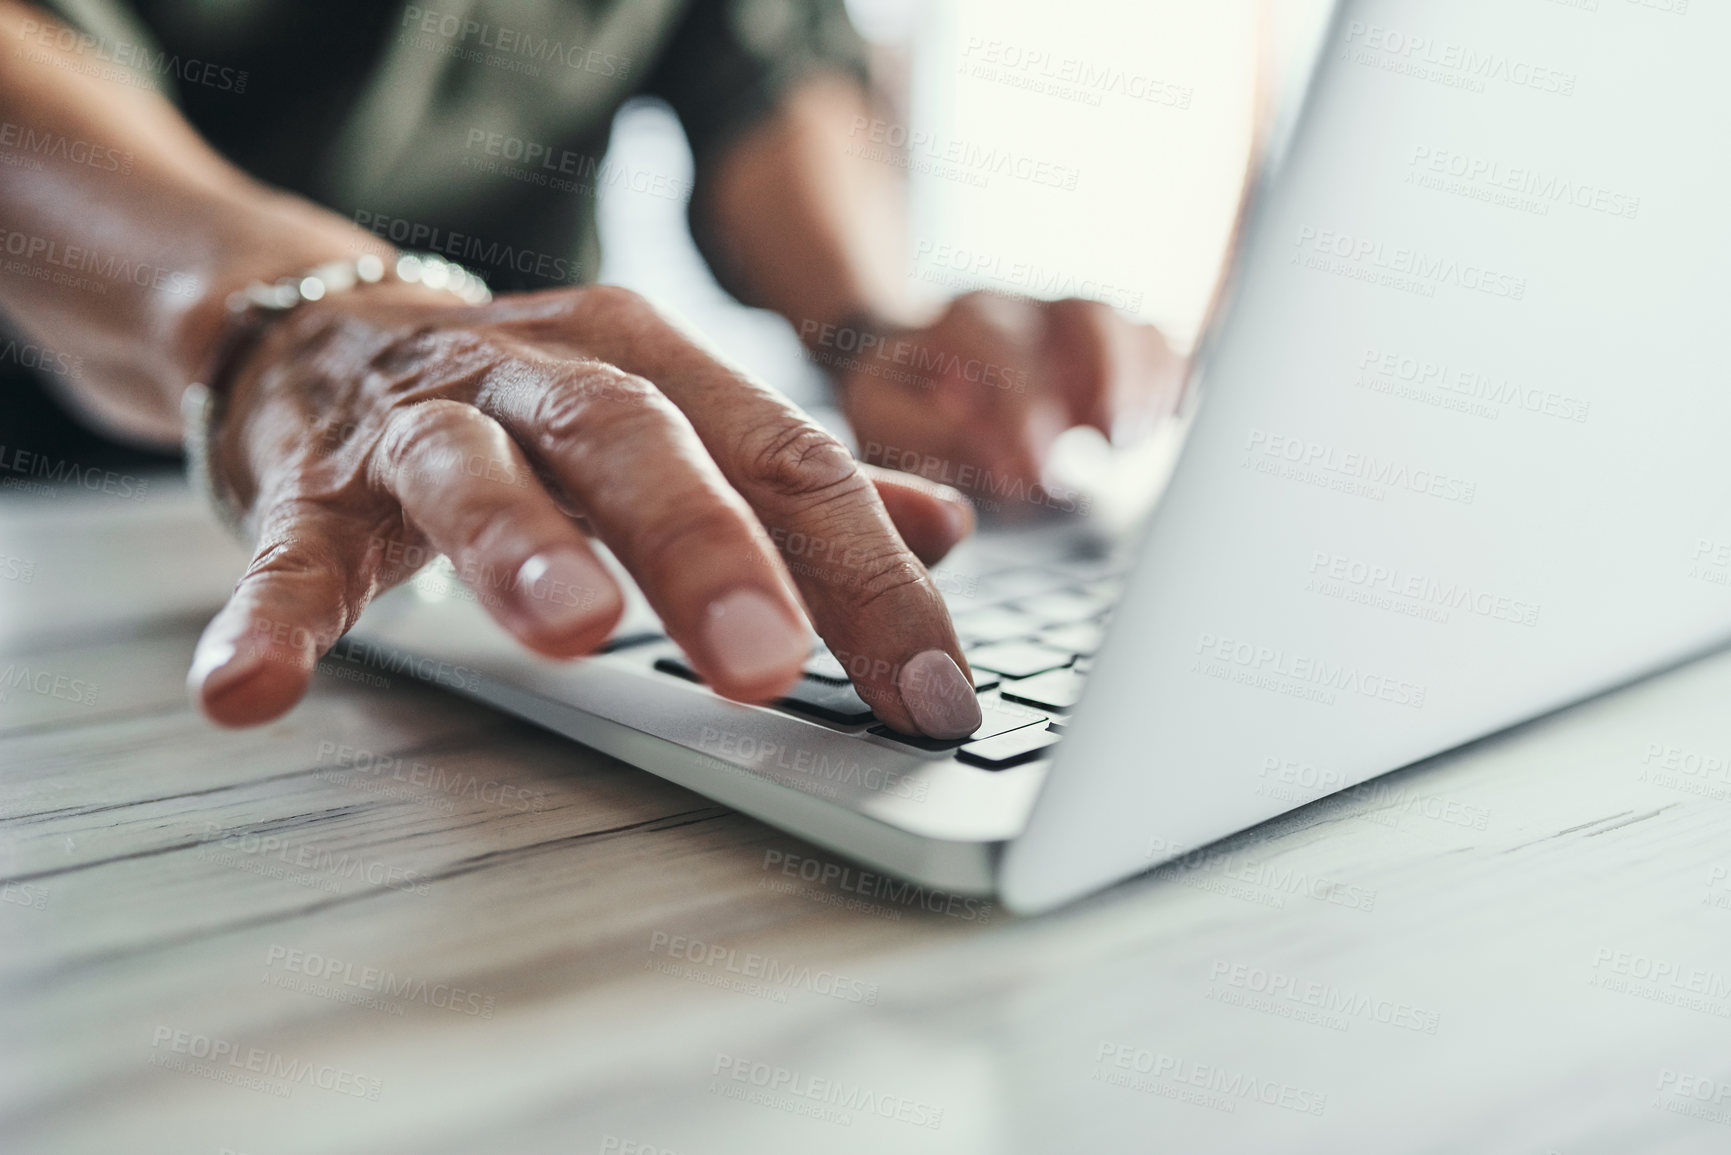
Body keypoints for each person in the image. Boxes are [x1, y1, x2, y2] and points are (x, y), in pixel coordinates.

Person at [0, 0, 1183, 739]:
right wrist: (307, 322)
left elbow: (767, 60)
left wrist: (874, 329)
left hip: (527, 509)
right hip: (54, 554)